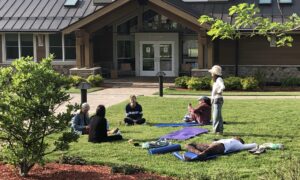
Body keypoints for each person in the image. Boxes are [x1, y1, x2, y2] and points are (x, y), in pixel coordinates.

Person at [185, 137, 257, 161]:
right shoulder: (228, 139)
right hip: (212, 145)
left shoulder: (239, 144)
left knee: (216, 146)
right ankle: (198, 153)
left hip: (221, 147)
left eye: (236, 137)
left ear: (239, 140)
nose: (235, 137)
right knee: (189, 144)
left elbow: (254, 145)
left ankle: (201, 154)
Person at [209, 65, 225, 134]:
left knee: (215, 116)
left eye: (212, 73)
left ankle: (215, 130)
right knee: (218, 116)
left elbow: (223, 86)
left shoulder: (219, 79)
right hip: (215, 100)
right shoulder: (216, 80)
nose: (211, 74)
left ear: (215, 73)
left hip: (218, 99)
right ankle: (220, 131)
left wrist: (219, 91)